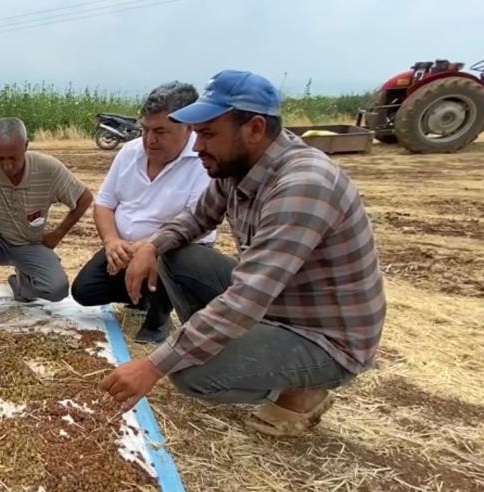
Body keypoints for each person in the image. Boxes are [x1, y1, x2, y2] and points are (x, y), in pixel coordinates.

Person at [100, 70, 386, 437]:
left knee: (189, 372)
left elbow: (245, 299)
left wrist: (154, 366)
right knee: (175, 254)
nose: (198, 146)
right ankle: (223, 347)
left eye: (207, 134)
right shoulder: (237, 167)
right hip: (277, 305)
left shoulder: (303, 185)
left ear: (253, 129)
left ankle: (301, 389)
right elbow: (195, 219)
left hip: (321, 335)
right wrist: (151, 246)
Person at [71, 81, 215, 344]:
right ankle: (142, 296)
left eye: (160, 131)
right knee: (84, 291)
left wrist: (145, 248)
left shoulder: (203, 161)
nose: (149, 139)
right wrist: (112, 242)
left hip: (171, 251)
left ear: (188, 128)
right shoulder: (129, 152)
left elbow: (194, 225)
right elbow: (104, 204)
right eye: (145, 129)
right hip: (125, 247)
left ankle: (159, 317)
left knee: (174, 260)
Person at [0, 117, 94, 321]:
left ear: (25, 146)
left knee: (57, 289)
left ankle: (22, 287)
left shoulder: (48, 168)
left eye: (13, 158)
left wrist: (57, 234)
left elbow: (85, 198)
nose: (7, 166)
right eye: (0, 158)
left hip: (30, 245)